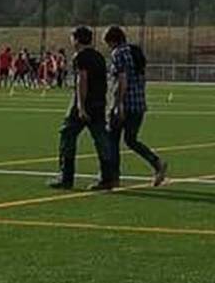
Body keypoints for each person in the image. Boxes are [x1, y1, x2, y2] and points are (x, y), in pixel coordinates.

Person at [49, 26, 116, 190]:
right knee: (101, 139)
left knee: (67, 135)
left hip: (85, 103)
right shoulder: (99, 56)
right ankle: (107, 177)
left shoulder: (80, 57)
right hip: (99, 102)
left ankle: (66, 176)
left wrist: (80, 106)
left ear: (77, 39)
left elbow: (82, 80)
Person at [104, 26, 168, 185]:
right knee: (131, 140)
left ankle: (113, 176)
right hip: (139, 103)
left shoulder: (118, 53)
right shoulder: (135, 52)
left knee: (112, 139)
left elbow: (122, 79)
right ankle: (156, 162)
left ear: (113, 40)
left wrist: (118, 104)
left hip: (125, 103)